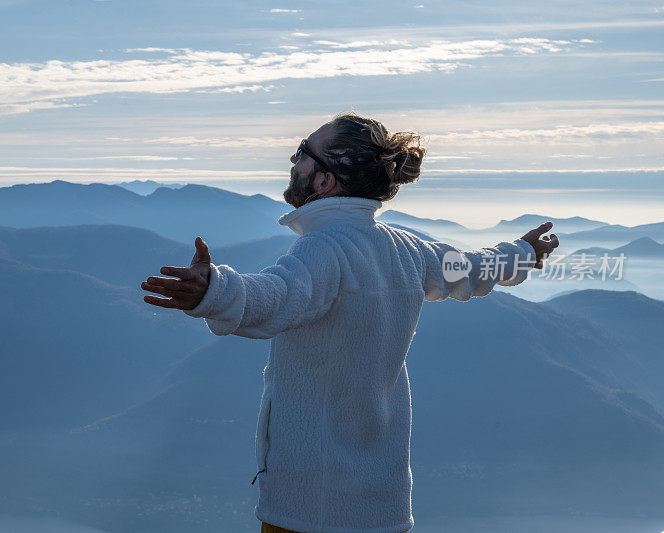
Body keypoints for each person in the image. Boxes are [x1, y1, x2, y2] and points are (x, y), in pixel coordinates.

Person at [140, 112, 559, 533]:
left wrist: (215, 290)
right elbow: (468, 269)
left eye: (302, 151)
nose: (292, 159)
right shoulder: (407, 250)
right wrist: (521, 253)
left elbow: (276, 295)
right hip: (385, 505)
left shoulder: (324, 250)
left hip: (311, 510)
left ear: (325, 181)